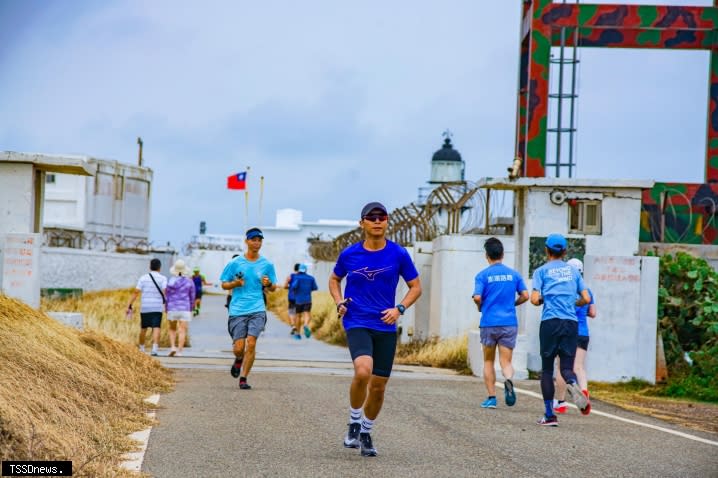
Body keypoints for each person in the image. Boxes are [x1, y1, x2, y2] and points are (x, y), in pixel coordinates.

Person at [329, 202, 422, 457]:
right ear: (362, 223)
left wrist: (399, 309)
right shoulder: (349, 254)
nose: (377, 221)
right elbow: (335, 279)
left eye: (382, 217)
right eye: (372, 218)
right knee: (363, 370)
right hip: (357, 320)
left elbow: (415, 286)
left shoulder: (398, 254)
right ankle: (354, 422)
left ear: (387, 221)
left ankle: (366, 432)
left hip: (386, 325)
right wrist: (339, 302)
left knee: (379, 386)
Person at [530, 234, 592, 426]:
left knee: (548, 369)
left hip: (550, 322)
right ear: (565, 252)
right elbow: (586, 299)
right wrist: (575, 303)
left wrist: (543, 299)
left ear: (546, 251)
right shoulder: (574, 272)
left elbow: (533, 299)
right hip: (571, 324)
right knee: (566, 368)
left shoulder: (541, 271)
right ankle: (573, 384)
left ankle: (549, 415)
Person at [472, 237, 529, 409]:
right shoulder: (514, 275)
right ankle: (509, 379)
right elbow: (525, 295)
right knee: (506, 361)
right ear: (502, 254)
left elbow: (477, 297)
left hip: (489, 322)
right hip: (509, 323)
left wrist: (480, 306)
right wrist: (513, 304)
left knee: (488, 361)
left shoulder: (482, 275)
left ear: (486, 256)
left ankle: (491, 398)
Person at [220, 227, 278, 390]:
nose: (257, 243)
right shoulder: (235, 263)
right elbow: (224, 283)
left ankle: (244, 378)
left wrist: (268, 284)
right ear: (246, 241)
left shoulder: (267, 264)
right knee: (239, 348)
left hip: (257, 308)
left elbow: (273, 287)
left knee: (251, 343)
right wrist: (235, 284)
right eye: (253, 239)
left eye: (259, 240)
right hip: (238, 309)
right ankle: (239, 359)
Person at [554, 258, 596, 414]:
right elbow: (593, 313)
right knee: (578, 367)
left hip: (567, 331)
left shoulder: (565, 290)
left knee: (561, 367)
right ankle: (584, 393)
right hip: (583, 333)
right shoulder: (587, 291)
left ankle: (561, 403)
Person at [126, 258, 168, 356]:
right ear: (159, 268)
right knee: (156, 327)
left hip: (145, 307)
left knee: (143, 328)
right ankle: (154, 349)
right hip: (157, 307)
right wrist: (167, 305)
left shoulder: (143, 278)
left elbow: (136, 292)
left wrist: (129, 304)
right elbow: (166, 292)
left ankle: (141, 348)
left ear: (150, 267)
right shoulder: (163, 278)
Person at [165, 259, 196, 357]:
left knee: (172, 329)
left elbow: (167, 296)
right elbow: (192, 296)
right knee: (182, 330)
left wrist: (166, 307)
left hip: (172, 308)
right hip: (185, 308)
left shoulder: (170, 281)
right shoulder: (189, 282)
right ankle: (179, 351)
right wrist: (191, 307)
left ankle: (173, 346)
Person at [292, 264, 318, 339]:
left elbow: (293, 287)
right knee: (307, 314)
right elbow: (315, 288)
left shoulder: (297, 278)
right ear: (306, 270)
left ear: (299, 270)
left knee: (298, 316)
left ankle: (297, 334)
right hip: (308, 300)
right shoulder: (311, 278)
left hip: (298, 300)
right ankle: (306, 325)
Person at [283, 263, 301, 338]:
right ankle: (297, 330)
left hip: (291, 297)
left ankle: (293, 326)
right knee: (298, 314)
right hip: (300, 298)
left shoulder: (290, 276)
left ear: (294, 269)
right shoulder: (303, 277)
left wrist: (289, 287)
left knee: (291, 312)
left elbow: (285, 286)